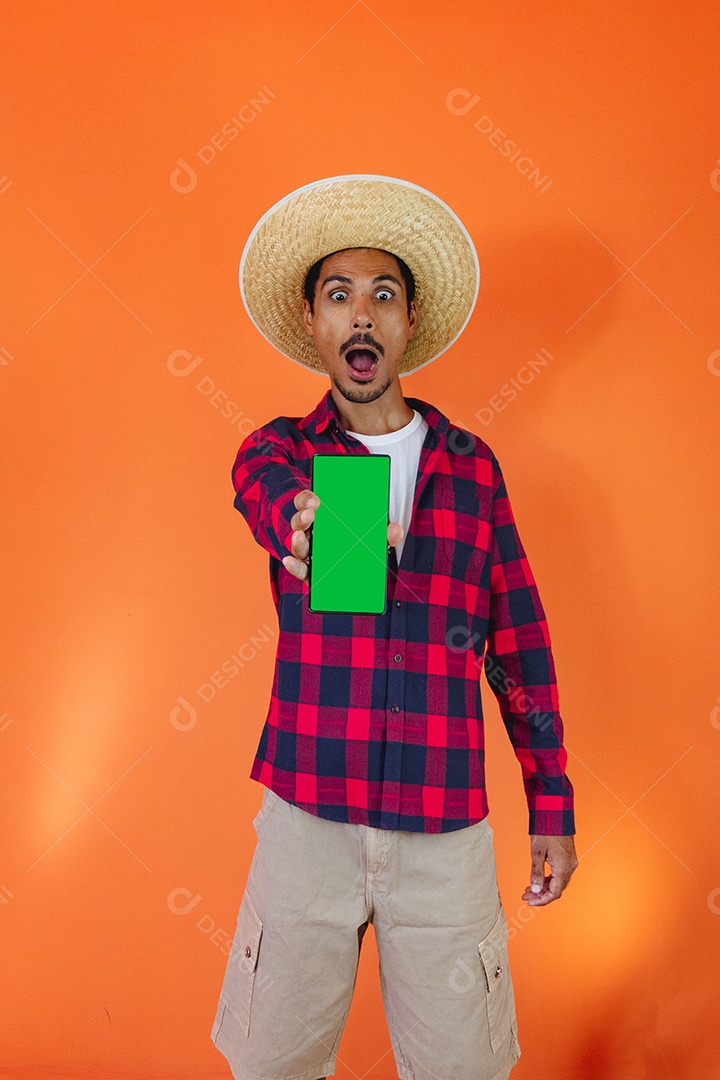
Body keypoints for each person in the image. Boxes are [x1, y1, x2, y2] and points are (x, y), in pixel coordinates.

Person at [210, 175, 578, 1080]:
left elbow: (520, 646)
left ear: (408, 324)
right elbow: (261, 488)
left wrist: (552, 801)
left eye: (383, 295)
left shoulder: (471, 469)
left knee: (466, 1069)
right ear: (313, 324)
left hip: (442, 828)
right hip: (308, 814)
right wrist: (300, 517)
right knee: (271, 1067)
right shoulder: (288, 453)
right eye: (339, 295)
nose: (361, 315)